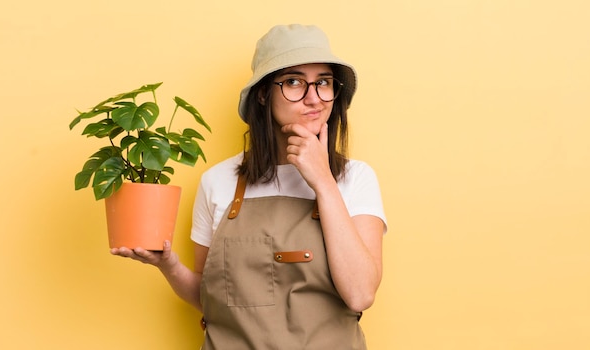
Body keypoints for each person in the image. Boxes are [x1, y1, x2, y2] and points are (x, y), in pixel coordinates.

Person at [111, 24, 387, 349]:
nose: (313, 98)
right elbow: (214, 299)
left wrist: (323, 181)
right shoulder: (217, 181)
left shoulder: (356, 178)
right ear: (262, 93)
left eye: (324, 83)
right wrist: (167, 264)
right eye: (294, 82)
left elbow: (360, 294)